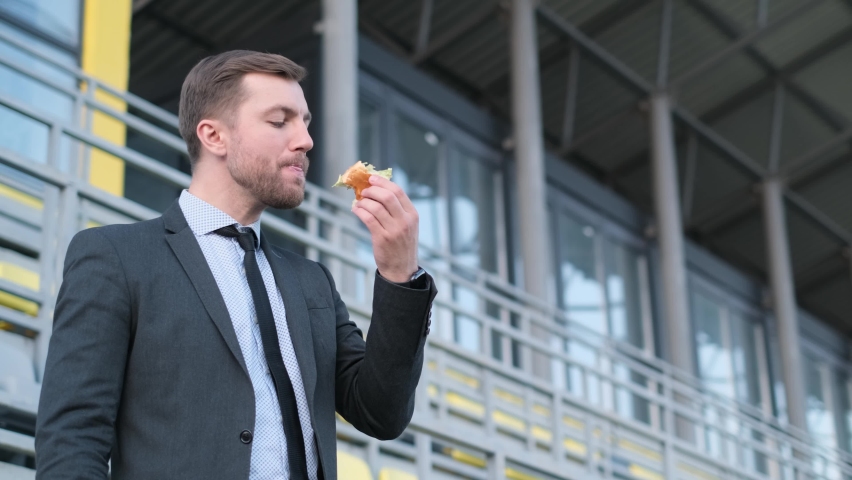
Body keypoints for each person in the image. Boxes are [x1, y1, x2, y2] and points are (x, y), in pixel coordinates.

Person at [34, 50, 436, 480]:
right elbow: (72, 439)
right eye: (280, 121)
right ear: (213, 136)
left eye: (305, 122)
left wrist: (399, 276)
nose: (305, 140)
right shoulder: (116, 257)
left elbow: (382, 413)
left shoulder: (312, 282)